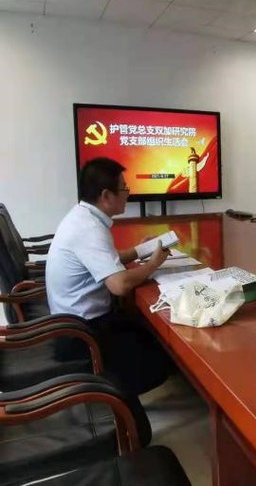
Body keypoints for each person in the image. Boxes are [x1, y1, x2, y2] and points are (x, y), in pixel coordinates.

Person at [46, 157, 172, 395]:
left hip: (73, 323)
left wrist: (141, 250)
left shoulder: (82, 217)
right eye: (124, 189)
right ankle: (117, 396)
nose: (128, 194)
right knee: (161, 356)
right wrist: (154, 263)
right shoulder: (89, 229)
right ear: (106, 196)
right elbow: (119, 285)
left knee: (146, 330)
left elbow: (105, 260)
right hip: (81, 336)